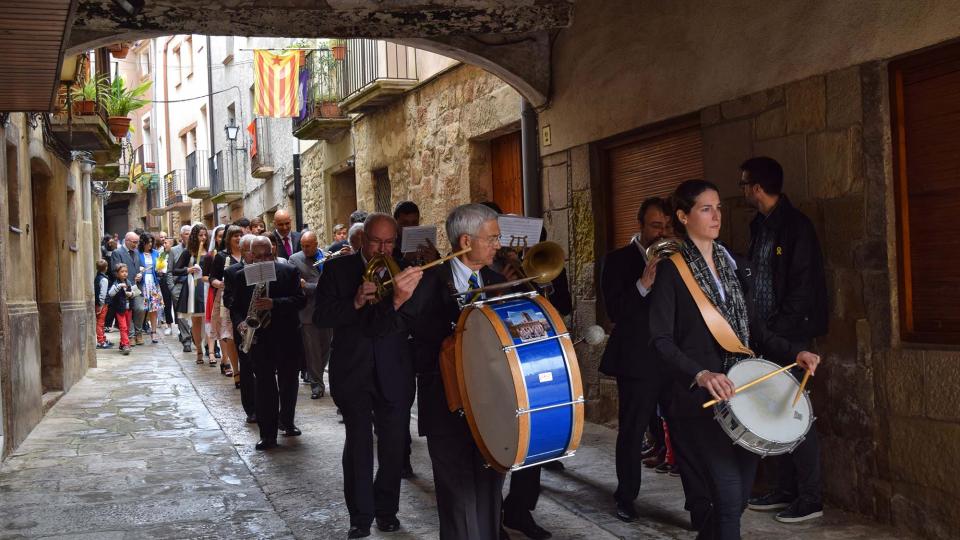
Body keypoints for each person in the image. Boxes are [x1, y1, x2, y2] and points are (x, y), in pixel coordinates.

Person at [648, 179, 821, 540]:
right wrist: (699, 373)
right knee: (727, 499)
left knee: (739, 499)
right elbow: (660, 341)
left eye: (719, 208)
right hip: (701, 400)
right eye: (706, 209)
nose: (716, 216)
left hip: (742, 394)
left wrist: (795, 352)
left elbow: (757, 330)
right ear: (683, 216)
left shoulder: (733, 266)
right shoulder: (672, 270)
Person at [315, 213, 423, 539]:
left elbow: (413, 320)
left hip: (395, 370)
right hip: (353, 370)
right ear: (362, 239)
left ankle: (386, 511)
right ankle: (360, 517)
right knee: (358, 444)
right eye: (376, 241)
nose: (383, 249)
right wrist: (356, 301)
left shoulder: (407, 271)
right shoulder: (337, 269)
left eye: (390, 242)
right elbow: (321, 316)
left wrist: (398, 300)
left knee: (394, 446)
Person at [404, 203, 508, 540]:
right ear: (466, 240)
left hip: (492, 407)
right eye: (491, 238)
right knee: (457, 495)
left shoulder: (495, 280)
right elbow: (413, 346)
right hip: (447, 405)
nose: (498, 245)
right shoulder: (427, 282)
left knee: (490, 488)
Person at [739, 157, 828, 523]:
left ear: (757, 188)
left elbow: (801, 291)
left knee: (796, 415)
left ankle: (810, 498)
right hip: (769, 336)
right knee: (775, 415)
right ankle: (786, 488)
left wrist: (777, 334)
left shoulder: (796, 227)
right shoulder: (758, 225)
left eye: (744, 183)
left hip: (790, 337)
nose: (742, 189)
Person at [597, 197, 668, 522]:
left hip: (675, 360)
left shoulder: (678, 258)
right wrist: (643, 284)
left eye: (667, 226)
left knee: (685, 430)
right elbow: (615, 312)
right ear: (640, 225)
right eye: (656, 226)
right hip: (638, 361)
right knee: (632, 430)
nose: (662, 232)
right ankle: (626, 497)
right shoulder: (617, 260)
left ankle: (699, 506)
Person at [223, 236, 306, 451]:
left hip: (286, 336)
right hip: (260, 339)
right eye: (256, 256)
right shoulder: (241, 276)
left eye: (266, 255)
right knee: (264, 386)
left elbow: (300, 300)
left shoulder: (289, 271)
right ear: (249, 255)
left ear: (273, 252)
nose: (261, 260)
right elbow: (235, 305)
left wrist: (274, 304)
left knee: (288, 383)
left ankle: (287, 422)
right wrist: (241, 322)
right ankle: (267, 435)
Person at [289, 231, 333, 399]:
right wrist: (318, 287)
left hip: (327, 311)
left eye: (308, 246)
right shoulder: (294, 259)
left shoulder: (326, 256)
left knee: (326, 348)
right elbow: (300, 287)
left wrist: (311, 285)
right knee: (312, 351)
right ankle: (317, 384)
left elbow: (331, 283)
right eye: (302, 246)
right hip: (308, 312)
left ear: (316, 243)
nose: (305, 249)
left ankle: (318, 375)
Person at [224, 234, 259, 422]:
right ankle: (251, 409)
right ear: (243, 251)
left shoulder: (267, 268)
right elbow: (228, 299)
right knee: (246, 367)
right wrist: (241, 323)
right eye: (249, 251)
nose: (253, 255)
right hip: (244, 325)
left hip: (265, 325)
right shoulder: (232, 273)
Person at [209, 225, 244, 386]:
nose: (237, 238)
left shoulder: (248, 254)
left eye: (240, 235)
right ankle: (236, 370)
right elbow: (212, 278)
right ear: (228, 239)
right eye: (234, 236)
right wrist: (221, 284)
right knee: (229, 336)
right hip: (226, 299)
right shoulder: (221, 256)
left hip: (244, 298)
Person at [173, 224, 209, 364]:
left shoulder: (211, 251)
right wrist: (189, 269)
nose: (203, 238)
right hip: (193, 287)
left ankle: (210, 349)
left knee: (209, 320)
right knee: (196, 320)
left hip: (206, 286)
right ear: (195, 236)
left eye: (205, 235)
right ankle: (199, 349)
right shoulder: (189, 251)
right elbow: (176, 270)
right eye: (200, 235)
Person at [110, 232, 147, 346]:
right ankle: (130, 336)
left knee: (140, 309)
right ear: (127, 241)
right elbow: (114, 270)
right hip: (123, 288)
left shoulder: (136, 252)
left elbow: (141, 267)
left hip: (136, 287)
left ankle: (138, 333)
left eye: (137, 242)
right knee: (127, 311)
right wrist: (123, 282)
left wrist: (140, 275)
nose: (136, 245)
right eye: (134, 242)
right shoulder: (117, 253)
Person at [202, 225, 226, 366]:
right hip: (214, 291)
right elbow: (206, 276)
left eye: (224, 235)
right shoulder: (210, 256)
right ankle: (211, 352)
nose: (222, 238)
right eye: (219, 236)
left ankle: (225, 356)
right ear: (215, 238)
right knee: (212, 321)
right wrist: (217, 282)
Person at [170, 225, 195, 352]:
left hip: (194, 285)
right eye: (186, 234)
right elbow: (170, 271)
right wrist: (172, 288)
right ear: (181, 236)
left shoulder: (198, 249)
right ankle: (186, 340)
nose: (189, 236)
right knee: (182, 314)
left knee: (194, 312)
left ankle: (195, 336)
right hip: (179, 285)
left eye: (191, 233)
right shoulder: (174, 250)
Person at [138, 233, 164, 344]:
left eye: (151, 242)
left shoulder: (157, 253)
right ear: (143, 242)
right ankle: (139, 332)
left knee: (154, 308)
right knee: (142, 308)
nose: (150, 244)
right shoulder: (137, 253)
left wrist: (160, 270)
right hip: (142, 283)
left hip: (153, 283)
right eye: (148, 242)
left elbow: (161, 268)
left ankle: (153, 332)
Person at [107, 263, 136, 355]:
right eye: (122, 272)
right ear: (117, 273)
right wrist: (119, 287)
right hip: (120, 309)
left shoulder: (129, 282)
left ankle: (122, 344)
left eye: (126, 271)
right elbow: (111, 293)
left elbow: (134, 293)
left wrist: (131, 294)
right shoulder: (116, 283)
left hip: (128, 308)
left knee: (127, 327)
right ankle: (126, 345)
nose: (124, 273)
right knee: (123, 327)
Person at [94, 259, 113, 349]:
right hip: (102, 304)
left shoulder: (97, 277)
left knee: (101, 323)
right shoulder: (104, 280)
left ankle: (103, 339)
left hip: (99, 303)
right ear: (106, 268)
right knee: (100, 323)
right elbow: (103, 294)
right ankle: (101, 341)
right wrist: (101, 305)